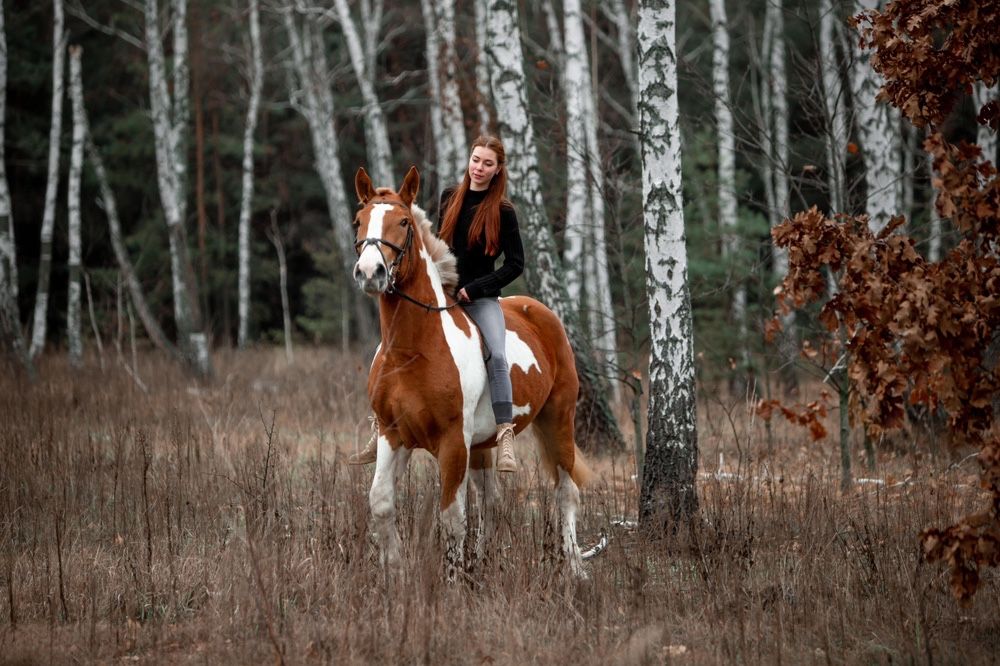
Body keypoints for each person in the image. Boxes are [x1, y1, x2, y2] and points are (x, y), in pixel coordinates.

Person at [349, 136, 525, 472]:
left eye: (488, 163)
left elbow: (515, 264)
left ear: (498, 169)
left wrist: (476, 288)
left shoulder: (504, 212)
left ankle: (504, 433)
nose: (480, 168)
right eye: (476, 160)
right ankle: (382, 425)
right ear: (469, 160)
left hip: (480, 298)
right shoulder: (450, 197)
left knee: (497, 355)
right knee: (386, 348)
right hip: (444, 292)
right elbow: (439, 244)